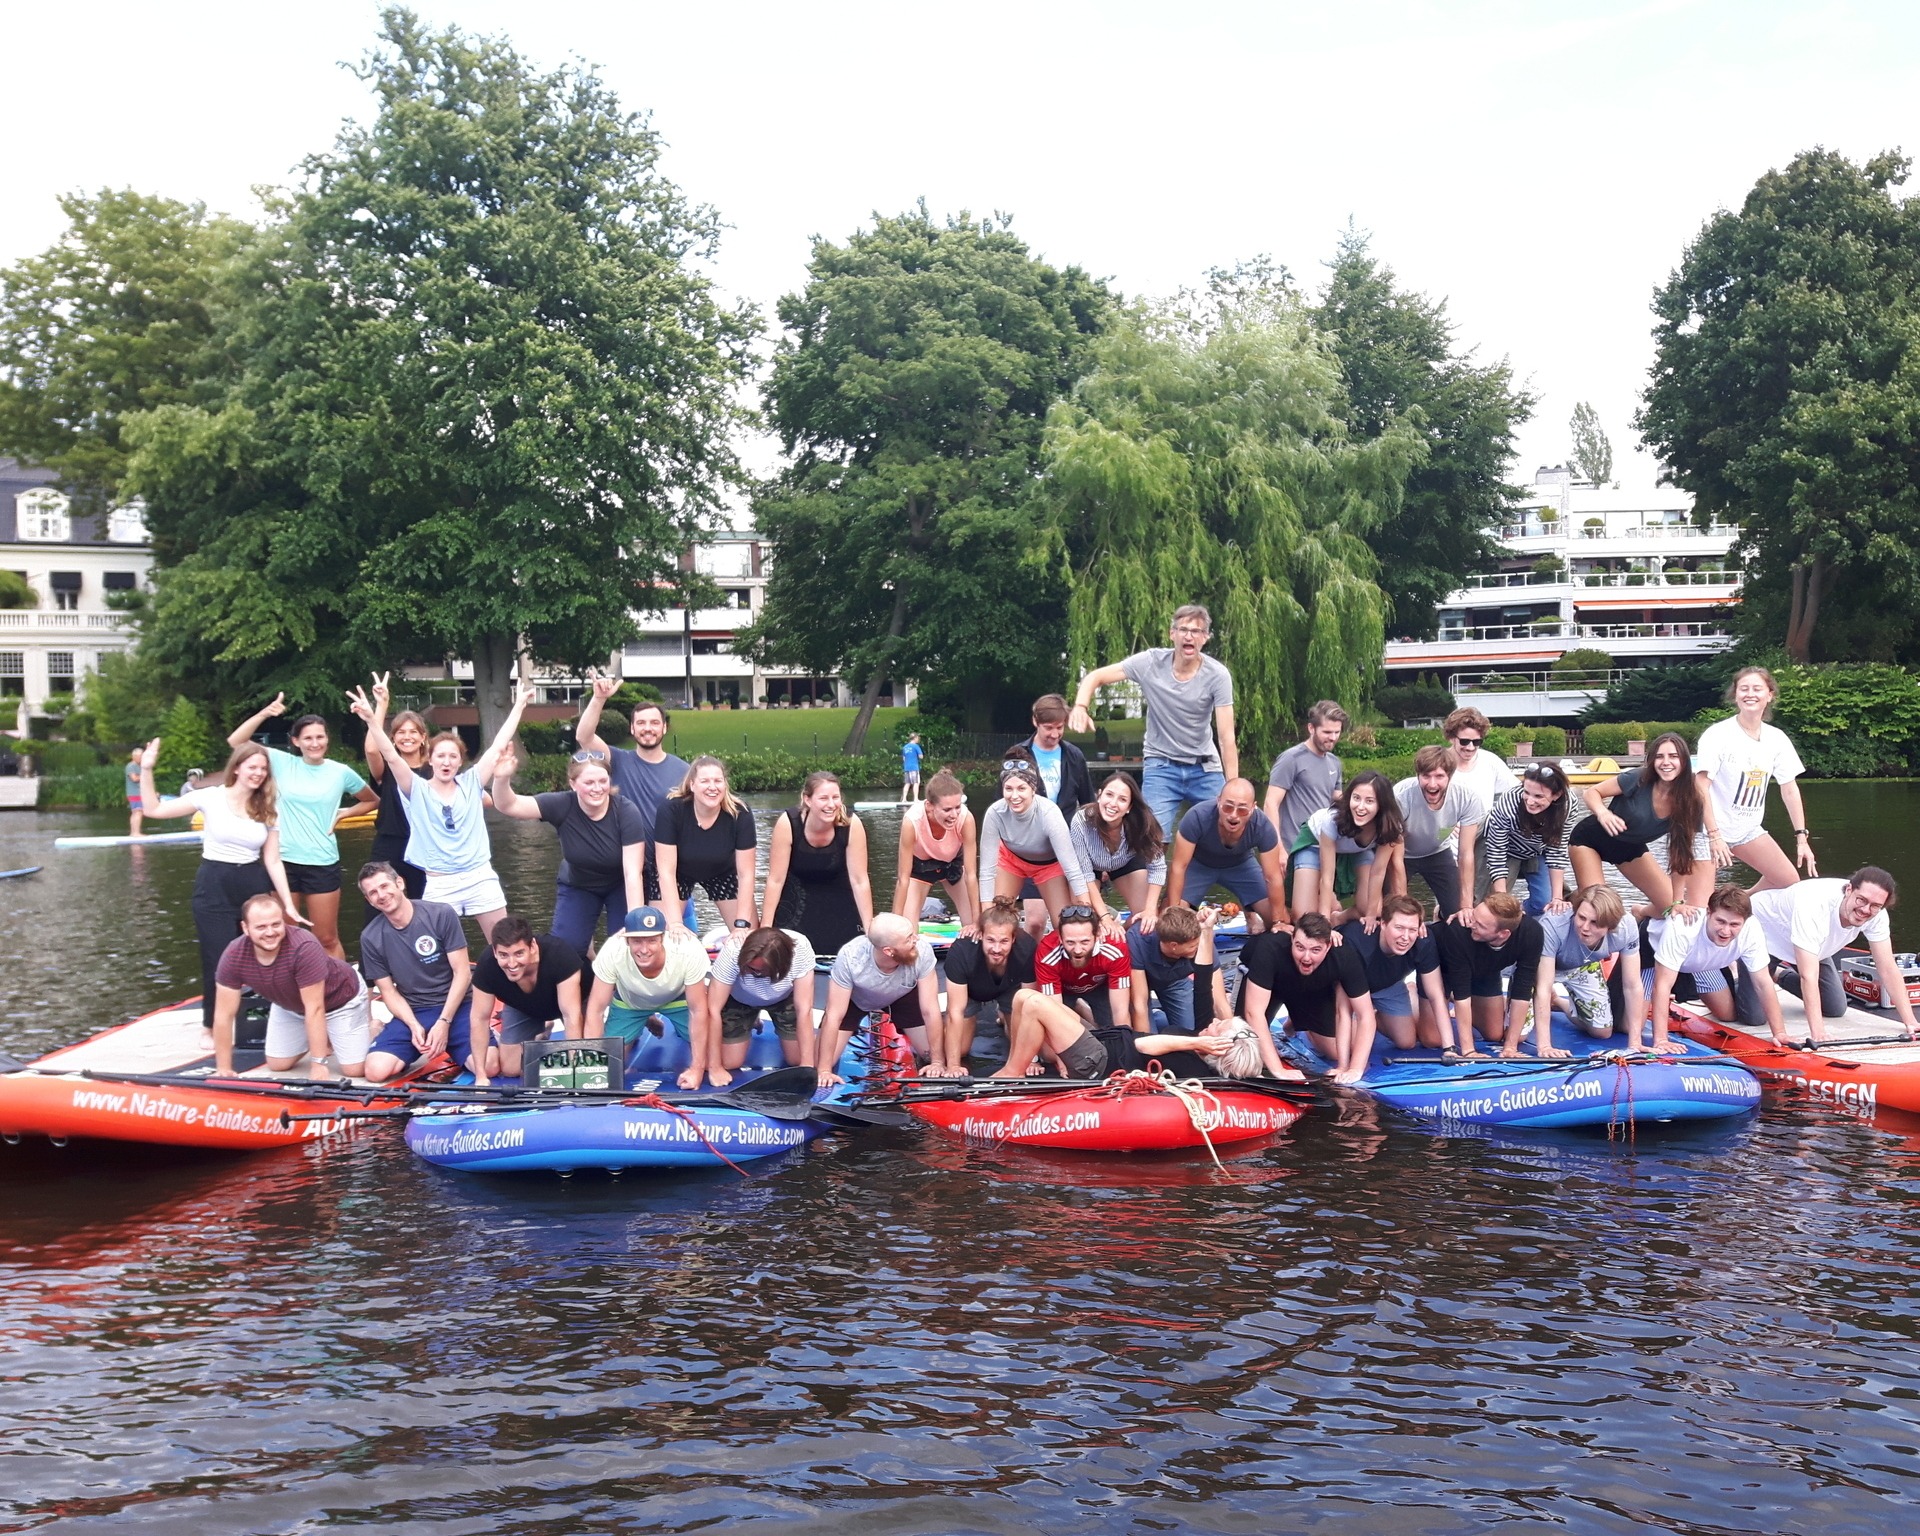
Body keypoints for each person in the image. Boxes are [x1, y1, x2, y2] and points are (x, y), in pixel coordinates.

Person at [136, 736, 303, 1031]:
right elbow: (153, 810)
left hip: (251, 881)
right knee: (218, 958)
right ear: (237, 768)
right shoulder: (211, 796)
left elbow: (273, 860)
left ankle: (271, 1019)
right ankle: (212, 1026)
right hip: (214, 882)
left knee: (264, 952)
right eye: (252, 767)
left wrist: (287, 903)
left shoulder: (267, 804)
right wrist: (147, 769)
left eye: (263, 769)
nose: (258, 774)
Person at [346, 683, 532, 941]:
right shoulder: (415, 788)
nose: (446, 762)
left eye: (453, 757)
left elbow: (498, 744)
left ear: (460, 760)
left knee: (504, 941)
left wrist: (520, 704)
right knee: (435, 949)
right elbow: (389, 754)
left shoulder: (472, 782)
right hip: (440, 882)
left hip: (479, 876)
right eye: (441, 756)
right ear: (430, 759)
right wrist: (371, 718)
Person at [1068, 603, 1238, 840]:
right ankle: (1153, 876)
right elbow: (1096, 676)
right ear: (1172, 634)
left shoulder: (1217, 675)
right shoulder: (1150, 663)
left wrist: (1234, 787)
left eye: (1196, 631)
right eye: (1183, 630)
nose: (1189, 636)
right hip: (1161, 766)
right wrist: (1080, 706)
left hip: (1204, 767)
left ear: (1205, 638)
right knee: (1152, 838)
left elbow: (1226, 737)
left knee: (1231, 831)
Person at [225, 695, 378, 958]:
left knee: (326, 938)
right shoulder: (281, 763)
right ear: (296, 741)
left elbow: (372, 800)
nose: (315, 743)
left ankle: (340, 992)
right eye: (307, 738)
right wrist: (265, 713)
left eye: (320, 737)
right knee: (283, 934)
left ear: (327, 739)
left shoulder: (340, 772)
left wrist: (342, 814)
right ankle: (288, 993)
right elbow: (236, 742)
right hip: (282, 861)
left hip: (322, 860)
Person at [489, 744, 646, 954]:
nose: (597, 788)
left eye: (602, 781)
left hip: (620, 885)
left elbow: (632, 873)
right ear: (573, 784)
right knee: (564, 951)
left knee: (625, 947)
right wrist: (501, 779)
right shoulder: (562, 804)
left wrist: (634, 923)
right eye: (589, 782)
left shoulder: (626, 812)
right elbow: (508, 805)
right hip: (578, 884)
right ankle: (585, 956)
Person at [1740, 867, 1919, 1046]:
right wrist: (1818, 1034)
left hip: (1813, 946)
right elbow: (1808, 976)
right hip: (1765, 938)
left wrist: (1910, 1022)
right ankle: (1737, 972)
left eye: (1875, 906)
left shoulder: (1877, 915)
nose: (1865, 909)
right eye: (1861, 900)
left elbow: (1887, 968)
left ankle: (1778, 974)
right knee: (1754, 1016)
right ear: (1849, 889)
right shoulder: (1815, 904)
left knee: (1835, 1007)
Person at [211, 892, 369, 1080]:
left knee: (354, 1069)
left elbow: (315, 1008)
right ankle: (326, 1035)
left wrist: (318, 1064)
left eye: (276, 924)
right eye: (261, 927)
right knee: (278, 1064)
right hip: (291, 1006)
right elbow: (223, 1014)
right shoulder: (234, 954)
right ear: (245, 928)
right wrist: (224, 1068)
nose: (270, 932)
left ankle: (371, 1028)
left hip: (341, 999)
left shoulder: (304, 946)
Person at [1695, 666, 1815, 892]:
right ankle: (1646, 911)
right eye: (1744, 689)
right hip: (1705, 830)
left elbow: (1789, 789)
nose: (1750, 694)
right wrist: (1714, 836)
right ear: (1736, 695)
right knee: (1700, 908)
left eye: (1757, 689)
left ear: (1769, 695)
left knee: (1789, 883)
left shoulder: (1776, 739)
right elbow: (1700, 786)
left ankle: (1741, 902)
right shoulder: (1717, 734)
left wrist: (1802, 838)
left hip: (1747, 829)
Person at [993, 992, 1288, 1081]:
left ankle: (1010, 1077)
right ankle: (1016, 1065)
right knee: (1021, 997)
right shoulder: (1193, 1044)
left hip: (1099, 1060)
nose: (1212, 1022)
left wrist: (1197, 1043)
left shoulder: (1194, 1066)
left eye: (1217, 1028)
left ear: (1216, 1047)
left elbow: (1142, 1044)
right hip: (1100, 1040)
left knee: (1033, 1004)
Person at [574, 677, 690, 904]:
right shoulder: (617, 760)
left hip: (668, 869)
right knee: (634, 931)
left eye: (655, 723)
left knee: (673, 930)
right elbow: (583, 737)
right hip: (625, 866)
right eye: (641, 723)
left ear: (664, 727)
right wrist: (599, 699)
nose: (648, 728)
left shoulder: (684, 771)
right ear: (632, 728)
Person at [1570, 731, 1710, 918]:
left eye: (1673, 756)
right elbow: (1592, 792)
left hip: (1629, 847)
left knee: (1669, 910)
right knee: (1599, 909)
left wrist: (1677, 901)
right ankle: (1573, 901)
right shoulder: (1639, 778)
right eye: (1660, 757)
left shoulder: (1691, 801)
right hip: (1590, 840)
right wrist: (1603, 813)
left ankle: (1639, 912)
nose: (1666, 762)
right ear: (1652, 760)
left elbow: (1681, 854)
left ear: (1684, 761)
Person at [357, 861, 473, 1083]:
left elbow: (463, 973)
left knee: (489, 1065)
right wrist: (412, 1025)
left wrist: (444, 1022)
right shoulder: (370, 937)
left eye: (384, 886)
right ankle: (420, 1042)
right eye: (373, 892)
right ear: (369, 900)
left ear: (399, 883)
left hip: (457, 1006)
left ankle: (459, 1044)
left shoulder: (440, 914)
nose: (381, 895)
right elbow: (388, 991)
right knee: (375, 1071)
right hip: (416, 1009)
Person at [585, 907, 719, 1090]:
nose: (644, 949)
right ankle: (644, 1019)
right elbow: (596, 1010)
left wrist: (697, 1069)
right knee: (610, 1064)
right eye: (637, 941)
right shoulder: (611, 951)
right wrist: (593, 1067)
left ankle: (675, 1027)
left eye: (652, 941)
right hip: (631, 1001)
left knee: (717, 1058)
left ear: (663, 938)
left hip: (678, 997)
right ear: (626, 940)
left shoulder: (688, 949)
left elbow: (698, 1010)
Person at [1642, 884, 1784, 1053]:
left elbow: (1763, 983)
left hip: (1701, 963)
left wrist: (1780, 1033)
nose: (1725, 930)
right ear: (1708, 912)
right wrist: (1661, 1040)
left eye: (1734, 924)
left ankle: (1732, 978)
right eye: (1720, 921)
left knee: (1728, 1015)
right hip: (1653, 954)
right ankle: (1641, 911)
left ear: (1745, 921)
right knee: (1628, 1026)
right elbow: (1662, 986)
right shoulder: (1683, 927)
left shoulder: (1752, 928)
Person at [1238, 911, 1375, 1083]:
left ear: (1328, 946)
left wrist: (1355, 1069)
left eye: (1315, 950)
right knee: (1243, 1046)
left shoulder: (1343, 954)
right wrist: (1278, 1070)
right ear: (1292, 939)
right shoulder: (1270, 948)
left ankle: (1298, 1022)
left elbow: (1366, 1015)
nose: (1306, 957)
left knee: (1338, 1050)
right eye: (1300, 947)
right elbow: (1253, 1013)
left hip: (1309, 988)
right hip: (1269, 985)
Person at [1512, 884, 1643, 1058]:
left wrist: (1635, 1044)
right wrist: (1544, 1046)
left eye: (1594, 923)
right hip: (1539, 966)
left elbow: (1632, 985)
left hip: (1583, 965)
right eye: (1581, 918)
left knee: (1602, 1031)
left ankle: (1557, 1001)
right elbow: (1544, 987)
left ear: (1610, 926)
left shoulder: (1626, 927)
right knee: (1518, 1035)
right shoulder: (1554, 924)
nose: (1585, 927)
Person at [815, 913, 944, 1086]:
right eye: (908, 939)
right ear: (889, 951)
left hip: (903, 995)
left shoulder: (922, 950)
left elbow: (930, 1010)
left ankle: (911, 1040)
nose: (916, 939)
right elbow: (834, 1015)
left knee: (933, 1055)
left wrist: (937, 1062)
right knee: (818, 1063)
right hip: (857, 998)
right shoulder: (851, 958)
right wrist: (824, 1071)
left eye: (913, 934)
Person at [977, 752, 1095, 936]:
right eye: (1008, 789)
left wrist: (1087, 912)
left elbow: (1072, 869)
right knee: (996, 919)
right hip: (1011, 861)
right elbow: (986, 871)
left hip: (1049, 866)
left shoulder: (1049, 813)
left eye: (1021, 788)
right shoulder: (995, 813)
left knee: (1062, 926)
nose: (1014, 796)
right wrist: (986, 917)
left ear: (1033, 788)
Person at [761, 771, 874, 958]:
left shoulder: (851, 825)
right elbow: (775, 879)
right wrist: (765, 926)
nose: (831, 805)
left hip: (840, 906)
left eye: (835, 797)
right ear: (808, 799)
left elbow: (859, 880)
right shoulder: (788, 823)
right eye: (823, 798)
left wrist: (869, 927)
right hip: (796, 906)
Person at [1334, 896, 1452, 1072]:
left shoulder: (1423, 941)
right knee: (1343, 1048)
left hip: (1386, 986)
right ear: (1382, 924)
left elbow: (1435, 994)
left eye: (1412, 929)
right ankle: (1311, 1024)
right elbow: (1343, 1009)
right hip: (1348, 991)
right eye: (1399, 928)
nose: (1405, 937)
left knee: (1406, 1042)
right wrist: (1346, 1067)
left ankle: (1402, 997)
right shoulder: (1356, 940)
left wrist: (1449, 1048)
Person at [468, 915, 586, 1085]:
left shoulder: (559, 954)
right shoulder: (487, 965)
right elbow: (479, 1018)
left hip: (570, 1001)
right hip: (524, 1006)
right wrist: (481, 1076)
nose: (512, 963)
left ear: (532, 947)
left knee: (595, 1058)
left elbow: (571, 1015)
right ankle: (542, 1030)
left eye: (518, 954)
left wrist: (575, 1068)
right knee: (510, 1069)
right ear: (494, 951)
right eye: (503, 955)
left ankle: (551, 1033)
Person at [654, 755, 758, 936]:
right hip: (678, 873)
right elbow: (666, 872)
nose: (712, 787)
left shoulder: (740, 813)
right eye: (705, 781)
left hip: (723, 871)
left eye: (718, 781)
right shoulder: (671, 810)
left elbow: (746, 874)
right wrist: (676, 924)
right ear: (692, 785)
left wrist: (741, 925)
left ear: (725, 784)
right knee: (661, 934)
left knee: (752, 937)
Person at [1165, 778, 1289, 924]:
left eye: (1242, 810)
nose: (1234, 815)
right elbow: (1179, 867)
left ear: (1253, 807)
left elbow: (1273, 877)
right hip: (1199, 865)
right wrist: (1174, 915)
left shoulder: (1263, 827)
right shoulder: (1196, 817)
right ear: (1218, 801)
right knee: (1171, 918)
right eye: (1228, 807)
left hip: (1241, 865)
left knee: (1280, 919)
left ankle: (1252, 915)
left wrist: (1278, 922)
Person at [1288, 769, 1404, 922]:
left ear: (1382, 805)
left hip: (1359, 849)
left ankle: (1339, 918)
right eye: (1356, 798)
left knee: (1374, 911)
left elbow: (1378, 872)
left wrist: (1369, 916)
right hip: (1315, 842)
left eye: (1369, 801)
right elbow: (1327, 877)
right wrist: (1324, 922)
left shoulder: (1390, 827)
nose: (1360, 807)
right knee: (1303, 917)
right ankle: (1325, 909)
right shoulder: (1332, 819)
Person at [1436, 894, 1543, 1056]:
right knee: (1432, 1038)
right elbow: (1462, 994)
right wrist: (1469, 1050)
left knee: (1494, 1034)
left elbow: (1523, 990)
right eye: (1474, 916)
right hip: (1444, 970)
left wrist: (1510, 1047)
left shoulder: (1531, 933)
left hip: (1485, 970)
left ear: (1503, 934)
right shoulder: (1460, 930)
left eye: (1480, 925)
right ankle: (1416, 993)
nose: (1471, 924)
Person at [940, 896, 1038, 1068]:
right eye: (991, 940)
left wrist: (1029, 1060)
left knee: (1016, 1030)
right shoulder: (962, 951)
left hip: (1010, 989)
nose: (997, 949)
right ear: (981, 935)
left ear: (1014, 939)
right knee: (960, 1049)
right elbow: (955, 1011)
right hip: (971, 991)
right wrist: (953, 1066)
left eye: (1004, 941)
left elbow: (1030, 1006)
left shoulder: (1027, 948)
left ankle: (1005, 1014)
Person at [1390, 746, 1486, 921]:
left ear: (1449, 776)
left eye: (1439, 776)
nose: (1432, 784)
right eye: (1426, 776)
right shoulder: (1400, 796)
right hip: (1402, 855)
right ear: (1418, 775)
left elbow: (1466, 854)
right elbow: (1396, 859)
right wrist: (1402, 910)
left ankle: (1441, 915)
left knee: (1458, 914)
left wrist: (1466, 906)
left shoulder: (1467, 798)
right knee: (1392, 910)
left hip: (1438, 852)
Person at [1071, 773, 1167, 938]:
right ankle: (1108, 918)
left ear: (1129, 807)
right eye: (1109, 795)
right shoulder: (1081, 821)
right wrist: (1105, 917)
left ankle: (1123, 932)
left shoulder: (1143, 823)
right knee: (1084, 917)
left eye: (1122, 799)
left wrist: (1151, 910)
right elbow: (1085, 874)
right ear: (1099, 795)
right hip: (1090, 868)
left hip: (1126, 861)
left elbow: (1158, 867)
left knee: (1144, 916)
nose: (1113, 804)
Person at [710, 925, 819, 1069]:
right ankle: (750, 1018)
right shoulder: (732, 950)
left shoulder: (801, 949)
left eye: (757, 971)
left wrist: (807, 1066)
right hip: (739, 998)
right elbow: (713, 1009)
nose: (751, 972)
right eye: (748, 967)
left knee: (797, 1060)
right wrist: (715, 1067)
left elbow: (804, 1010)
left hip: (783, 997)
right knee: (730, 1063)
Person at [362, 674, 431, 898]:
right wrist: (382, 705)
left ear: (423, 737)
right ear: (392, 739)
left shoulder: (435, 770)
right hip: (389, 845)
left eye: (413, 732)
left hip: (425, 845)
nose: (406, 737)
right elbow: (372, 749)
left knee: (422, 906)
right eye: (401, 732)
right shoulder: (387, 769)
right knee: (381, 902)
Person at [892, 770, 981, 933]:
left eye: (957, 807)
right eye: (947, 810)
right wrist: (894, 928)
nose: (954, 815)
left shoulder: (966, 819)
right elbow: (903, 879)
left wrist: (977, 923)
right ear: (929, 806)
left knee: (972, 927)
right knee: (906, 931)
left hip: (953, 866)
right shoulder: (912, 822)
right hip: (920, 870)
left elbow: (971, 875)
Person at [1481, 762, 1573, 917]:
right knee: (1489, 904)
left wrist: (1556, 898)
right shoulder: (1508, 802)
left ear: (1557, 795)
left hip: (1536, 850)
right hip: (1502, 848)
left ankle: (1521, 912)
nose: (1530, 801)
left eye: (1538, 796)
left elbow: (1557, 850)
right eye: (1526, 793)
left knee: (1545, 902)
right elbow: (1497, 852)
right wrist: (1502, 899)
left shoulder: (1568, 806)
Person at [1126, 903, 1223, 1038]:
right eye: (1192, 947)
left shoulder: (1201, 942)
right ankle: (1157, 1016)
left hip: (1175, 981)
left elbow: (1220, 1000)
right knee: (1149, 1037)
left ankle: (1160, 1017)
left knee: (1190, 1033)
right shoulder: (1138, 939)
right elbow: (1140, 1004)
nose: (1196, 949)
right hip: (1139, 982)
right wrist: (1146, 1049)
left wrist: (1230, 1037)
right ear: (1173, 946)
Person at [1264, 701, 1348, 853]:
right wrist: (1278, 848)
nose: (1333, 738)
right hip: (1294, 847)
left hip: (1323, 846)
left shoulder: (1335, 762)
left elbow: (1337, 797)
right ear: (1311, 728)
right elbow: (1270, 804)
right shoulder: (1291, 758)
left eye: (1337, 732)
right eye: (1327, 732)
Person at [1034, 904, 1134, 1031]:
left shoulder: (1116, 948)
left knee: (1111, 1029)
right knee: (1056, 1033)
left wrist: (1123, 1045)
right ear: (1060, 938)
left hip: (1100, 988)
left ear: (1097, 935)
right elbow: (1054, 1016)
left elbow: (1120, 1011)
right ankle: (1078, 1009)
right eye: (1070, 942)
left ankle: (1082, 1010)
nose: (1077, 950)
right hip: (1063, 990)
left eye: (1084, 942)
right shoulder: (1047, 953)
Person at [1024, 694, 1096, 818]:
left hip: (1066, 831)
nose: (1055, 734)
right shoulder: (1019, 755)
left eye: (1059, 727)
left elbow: (1088, 802)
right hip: (1028, 833)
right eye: (1049, 728)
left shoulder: (1075, 756)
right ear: (1035, 721)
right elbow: (1002, 802)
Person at [1443, 707, 1519, 817]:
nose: (1470, 747)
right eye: (1464, 741)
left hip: (1483, 831)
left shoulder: (1490, 761)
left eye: (1476, 742)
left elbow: (1516, 792)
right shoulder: (1438, 763)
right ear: (1451, 738)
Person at [124, 748, 144, 838]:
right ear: (134, 756)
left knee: (136, 812)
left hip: (138, 793)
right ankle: (136, 833)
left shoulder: (139, 767)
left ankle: (134, 833)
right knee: (138, 812)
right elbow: (134, 778)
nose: (142, 758)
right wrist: (144, 775)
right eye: (140, 756)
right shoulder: (131, 766)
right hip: (134, 793)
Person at [899, 732, 923, 803]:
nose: (918, 739)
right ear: (915, 738)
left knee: (907, 783)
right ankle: (915, 799)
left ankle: (904, 799)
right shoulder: (916, 746)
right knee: (916, 782)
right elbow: (921, 756)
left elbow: (904, 758)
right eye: (917, 738)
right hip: (914, 767)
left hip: (907, 768)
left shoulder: (905, 747)